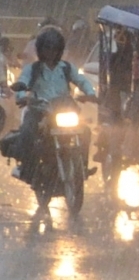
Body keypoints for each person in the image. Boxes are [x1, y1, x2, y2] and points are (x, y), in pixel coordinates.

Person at [10, 27, 96, 213]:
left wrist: (90, 93)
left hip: (63, 110)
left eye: (55, 48)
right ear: (41, 50)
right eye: (48, 48)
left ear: (60, 50)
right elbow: (22, 82)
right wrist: (22, 95)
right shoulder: (33, 69)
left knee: (86, 132)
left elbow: (81, 80)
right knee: (27, 132)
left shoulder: (66, 68)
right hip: (40, 111)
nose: (51, 52)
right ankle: (27, 168)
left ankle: (82, 167)